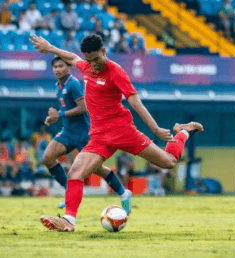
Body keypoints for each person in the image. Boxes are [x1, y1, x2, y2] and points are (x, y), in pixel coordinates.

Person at [30, 33, 204, 232]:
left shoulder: (115, 71)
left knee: (168, 162)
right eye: (89, 60)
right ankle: (69, 220)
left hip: (123, 132)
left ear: (104, 52)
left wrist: (155, 129)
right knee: (75, 173)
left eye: (96, 59)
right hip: (99, 137)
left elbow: (134, 101)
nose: (93, 64)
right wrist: (50, 47)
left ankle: (182, 132)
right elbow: (72, 57)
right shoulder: (86, 67)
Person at [41, 55, 132, 210]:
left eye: (61, 66)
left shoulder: (73, 84)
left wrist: (60, 114)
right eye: (55, 67)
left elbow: (83, 107)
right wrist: (54, 118)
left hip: (84, 135)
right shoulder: (59, 85)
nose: (57, 69)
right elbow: (66, 109)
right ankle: (68, 193)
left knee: (98, 169)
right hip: (68, 132)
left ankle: (123, 193)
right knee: (48, 157)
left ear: (69, 67)